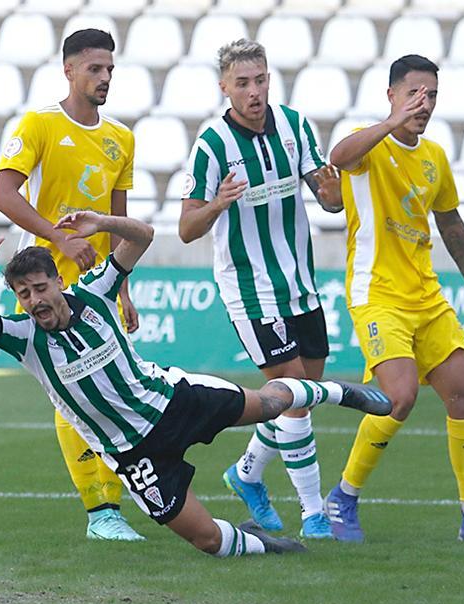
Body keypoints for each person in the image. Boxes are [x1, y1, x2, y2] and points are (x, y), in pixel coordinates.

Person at [0, 213, 393, 557]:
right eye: (24, 294)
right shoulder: (24, 337)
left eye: (40, 288)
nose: (34, 301)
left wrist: (103, 223)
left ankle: (339, 392)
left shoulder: (96, 293)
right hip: (135, 455)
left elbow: (142, 235)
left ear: (59, 282)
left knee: (271, 403)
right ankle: (264, 543)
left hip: (173, 401)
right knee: (208, 542)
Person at [178, 39, 344, 540]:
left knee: (302, 397)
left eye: (261, 80)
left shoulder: (295, 126)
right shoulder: (211, 145)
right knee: (293, 393)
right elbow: (187, 228)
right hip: (249, 289)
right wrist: (219, 202)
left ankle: (246, 474)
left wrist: (334, 190)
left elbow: (330, 200)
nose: (254, 92)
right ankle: (314, 514)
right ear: (224, 88)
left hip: (300, 282)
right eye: (243, 83)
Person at [0, 29, 142, 541]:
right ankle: (101, 512)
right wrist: (61, 237)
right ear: (69, 70)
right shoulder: (39, 124)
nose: (104, 79)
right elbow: (3, 193)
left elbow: (118, 221)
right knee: (72, 389)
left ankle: (116, 505)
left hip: (100, 283)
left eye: (110, 71)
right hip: (47, 282)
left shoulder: (121, 137)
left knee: (114, 390)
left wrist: (124, 289)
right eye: (95, 69)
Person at [324, 54, 464, 543]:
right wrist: (390, 124)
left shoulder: (434, 156)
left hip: (426, 295)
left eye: (431, 95)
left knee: (462, 394)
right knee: (400, 396)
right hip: (378, 294)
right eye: (414, 93)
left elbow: (450, 221)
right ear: (391, 94)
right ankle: (343, 496)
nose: (424, 103)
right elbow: (339, 157)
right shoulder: (370, 146)